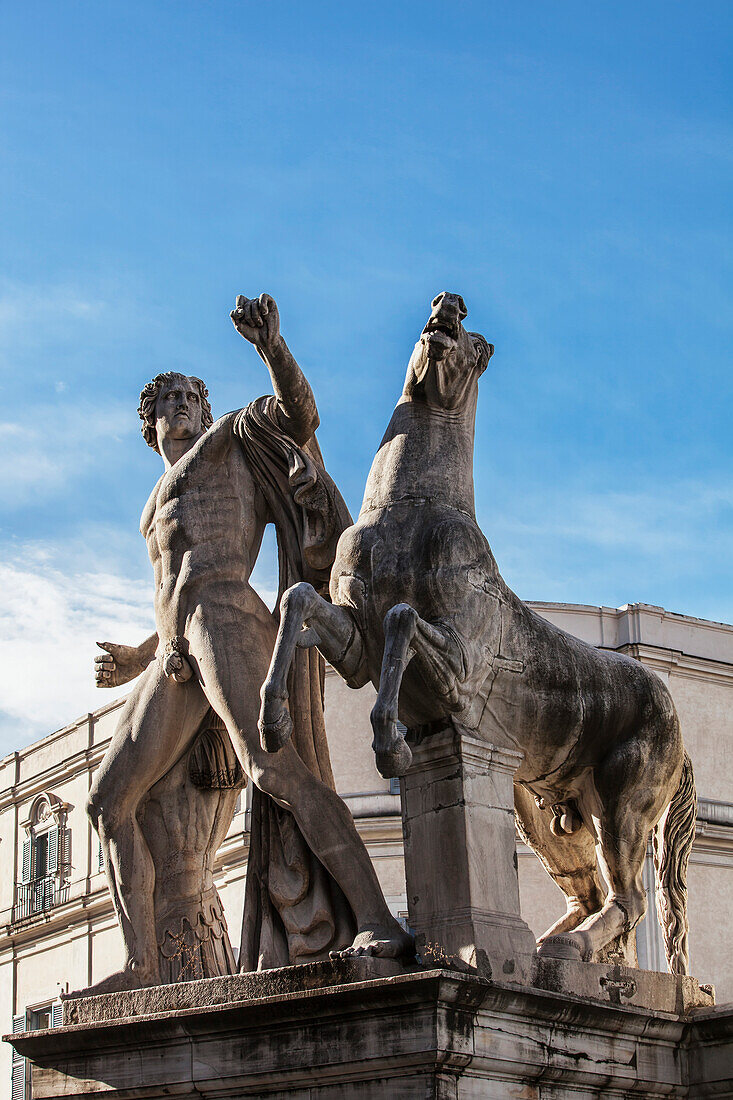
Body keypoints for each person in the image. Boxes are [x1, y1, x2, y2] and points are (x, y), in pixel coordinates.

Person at [76, 294, 411, 996]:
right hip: (175, 648)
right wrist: (141, 656)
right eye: (166, 400)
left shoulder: (231, 437)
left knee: (273, 771)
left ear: (205, 407)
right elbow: (172, 585)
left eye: (188, 396)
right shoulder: (156, 497)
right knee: (108, 801)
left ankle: (379, 918)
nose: (179, 406)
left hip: (226, 616)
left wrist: (271, 348)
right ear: (150, 424)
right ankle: (142, 968)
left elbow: (300, 416)